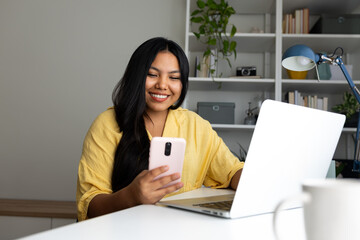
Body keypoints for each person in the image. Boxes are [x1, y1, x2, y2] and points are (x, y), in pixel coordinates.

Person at [76, 37, 244, 221]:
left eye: (174, 77)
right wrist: (131, 196)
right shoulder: (107, 124)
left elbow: (231, 172)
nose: (162, 85)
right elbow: (89, 206)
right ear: (137, 76)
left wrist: (258, 178)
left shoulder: (197, 125)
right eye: (152, 74)